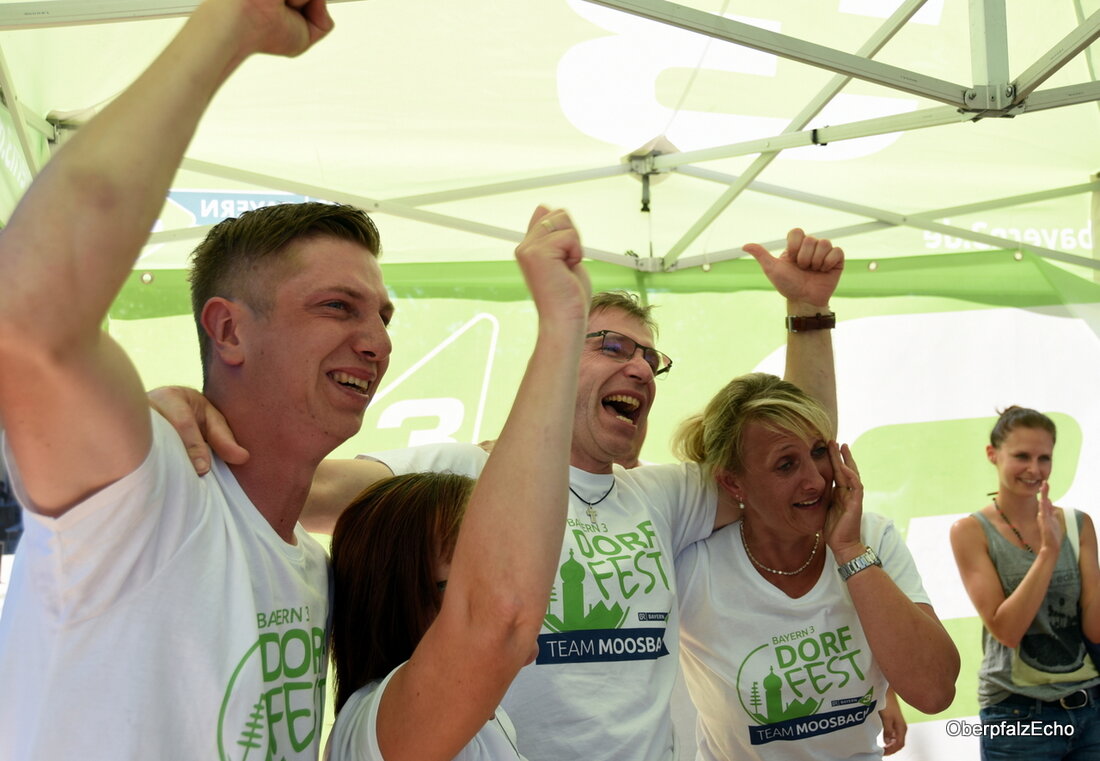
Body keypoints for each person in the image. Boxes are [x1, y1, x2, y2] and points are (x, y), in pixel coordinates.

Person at [155, 227, 844, 761]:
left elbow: (792, 461)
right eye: (610, 346)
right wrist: (178, 417)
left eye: (648, 357)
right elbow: (297, 484)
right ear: (558, 361)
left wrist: (808, 311)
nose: (638, 367)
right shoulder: (463, 479)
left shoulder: (662, 497)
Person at [0, 2, 393, 759]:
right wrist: (232, 26)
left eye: (383, 314)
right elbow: (29, 320)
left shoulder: (311, 566)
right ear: (229, 330)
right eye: (337, 307)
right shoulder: (148, 490)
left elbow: (430, 480)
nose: (376, 341)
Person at [326, 209, 589, 760]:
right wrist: (563, 326)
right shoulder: (381, 726)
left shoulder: (483, 721)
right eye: (467, 579)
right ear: (397, 592)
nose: (506, 587)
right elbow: (499, 614)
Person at [673, 373, 958, 760]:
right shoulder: (694, 560)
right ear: (734, 483)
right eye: (786, 465)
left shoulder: (871, 537)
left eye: (819, 452)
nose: (816, 481)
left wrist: (849, 551)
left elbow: (934, 691)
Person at [950, 406, 1100, 760]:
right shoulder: (970, 531)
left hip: (1090, 706)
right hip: (1016, 715)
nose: (1035, 469)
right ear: (993, 454)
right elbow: (1006, 630)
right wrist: (1048, 553)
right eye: (1022, 456)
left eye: (1044, 458)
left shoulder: (1078, 524)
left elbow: (1094, 628)